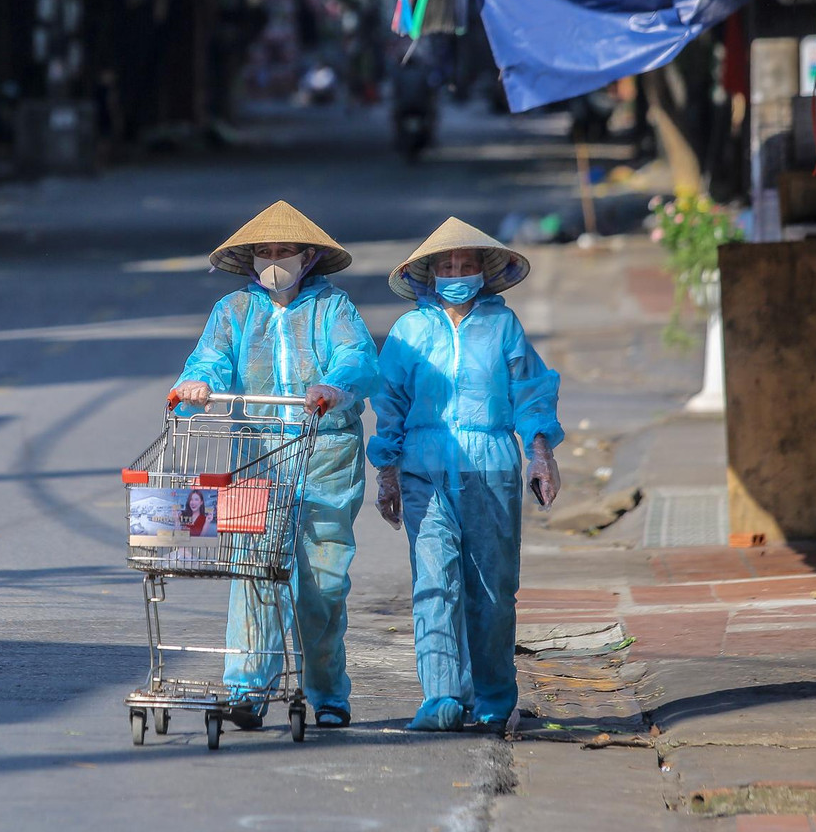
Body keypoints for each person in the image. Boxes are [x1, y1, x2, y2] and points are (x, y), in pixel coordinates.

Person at [171, 200, 381, 729]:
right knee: (251, 574)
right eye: (264, 252)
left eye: (284, 251)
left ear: (308, 256)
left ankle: (328, 693)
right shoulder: (233, 311)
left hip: (325, 456)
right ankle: (247, 689)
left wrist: (334, 387)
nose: (273, 260)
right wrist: (198, 384)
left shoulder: (334, 309)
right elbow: (209, 361)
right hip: (253, 456)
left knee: (321, 583)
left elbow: (356, 360)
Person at [369, 217, 563, 732]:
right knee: (434, 582)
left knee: (492, 589)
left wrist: (540, 452)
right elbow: (389, 406)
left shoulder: (504, 327)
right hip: (422, 472)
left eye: (466, 264)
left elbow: (532, 393)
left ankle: (495, 697)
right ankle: (441, 697)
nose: (456, 272)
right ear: (429, 275)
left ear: (483, 271)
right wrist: (386, 474)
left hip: (491, 469)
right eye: (447, 265)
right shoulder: (410, 331)